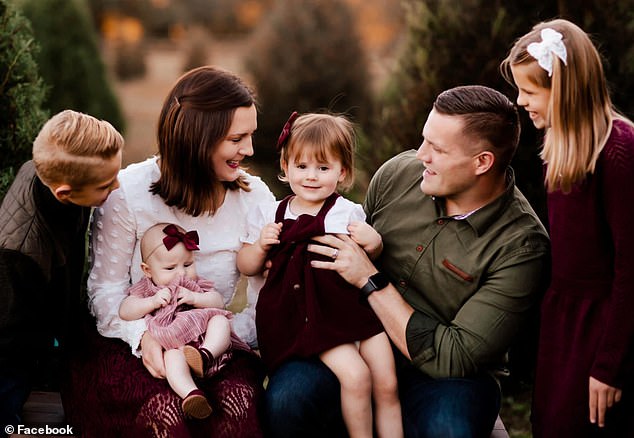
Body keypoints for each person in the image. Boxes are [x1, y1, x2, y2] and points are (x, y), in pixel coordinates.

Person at [264, 85, 551, 438]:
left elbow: (455, 357)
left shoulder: (521, 246)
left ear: (482, 162)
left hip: (443, 376)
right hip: (355, 337)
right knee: (286, 399)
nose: (421, 156)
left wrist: (370, 279)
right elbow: (346, 242)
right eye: (424, 140)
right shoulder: (398, 173)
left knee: (449, 429)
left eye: (438, 149)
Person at [63, 66, 276, 437]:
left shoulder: (254, 199)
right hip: (131, 341)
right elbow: (105, 292)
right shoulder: (127, 192)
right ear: (198, 139)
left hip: (214, 346)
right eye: (237, 138)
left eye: (251, 136)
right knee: (165, 415)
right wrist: (145, 338)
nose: (250, 150)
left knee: (236, 413)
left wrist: (214, 336)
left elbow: (263, 303)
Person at [500, 18, 634, 437]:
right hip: (565, 322)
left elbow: (631, 269)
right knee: (551, 422)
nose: (520, 101)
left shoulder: (618, 152)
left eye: (530, 91)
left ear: (566, 90)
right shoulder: (561, 145)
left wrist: (611, 365)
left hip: (605, 327)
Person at [238, 112, 403, 438]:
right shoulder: (272, 214)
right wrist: (259, 246)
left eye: (323, 168)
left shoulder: (347, 212)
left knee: (388, 383)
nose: (311, 176)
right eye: (302, 166)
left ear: (342, 172)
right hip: (315, 318)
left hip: (357, 312)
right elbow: (246, 265)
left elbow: (368, 256)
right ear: (285, 167)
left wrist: (375, 243)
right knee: (356, 377)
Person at [0, 110, 123, 429]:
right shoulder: (22, 250)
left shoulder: (55, 175)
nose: (117, 185)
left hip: (48, 305)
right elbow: (15, 338)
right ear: (64, 193)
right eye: (106, 185)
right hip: (14, 342)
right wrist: (56, 350)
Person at [120, 222, 236, 419]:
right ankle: (191, 394)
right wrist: (152, 302)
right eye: (170, 267)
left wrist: (196, 298)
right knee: (172, 358)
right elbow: (125, 310)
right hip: (176, 347)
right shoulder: (147, 289)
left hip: (206, 344)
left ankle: (205, 355)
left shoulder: (194, 284)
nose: (181, 273)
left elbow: (218, 302)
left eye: (188, 264)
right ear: (147, 270)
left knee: (220, 320)